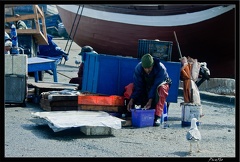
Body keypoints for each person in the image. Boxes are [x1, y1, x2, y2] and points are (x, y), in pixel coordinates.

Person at [126, 54, 172, 126]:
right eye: (145, 68)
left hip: (158, 86)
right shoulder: (138, 68)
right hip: (146, 86)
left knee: (162, 88)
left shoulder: (161, 68)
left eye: (149, 68)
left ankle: (157, 116)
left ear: (153, 65)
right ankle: (129, 111)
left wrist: (150, 100)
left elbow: (155, 85)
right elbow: (138, 86)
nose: (147, 70)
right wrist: (132, 99)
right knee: (130, 87)